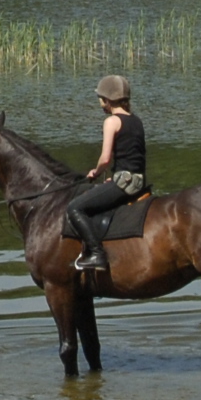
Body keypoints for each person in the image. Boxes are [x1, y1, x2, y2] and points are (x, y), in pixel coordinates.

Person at [69, 75, 150, 277]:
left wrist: (95, 172)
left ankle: (97, 254)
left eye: (100, 98)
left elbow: (105, 159)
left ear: (106, 100)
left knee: (75, 208)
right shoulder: (136, 120)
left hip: (125, 183)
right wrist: (114, 178)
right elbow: (132, 157)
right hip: (137, 180)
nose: (100, 102)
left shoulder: (111, 122)